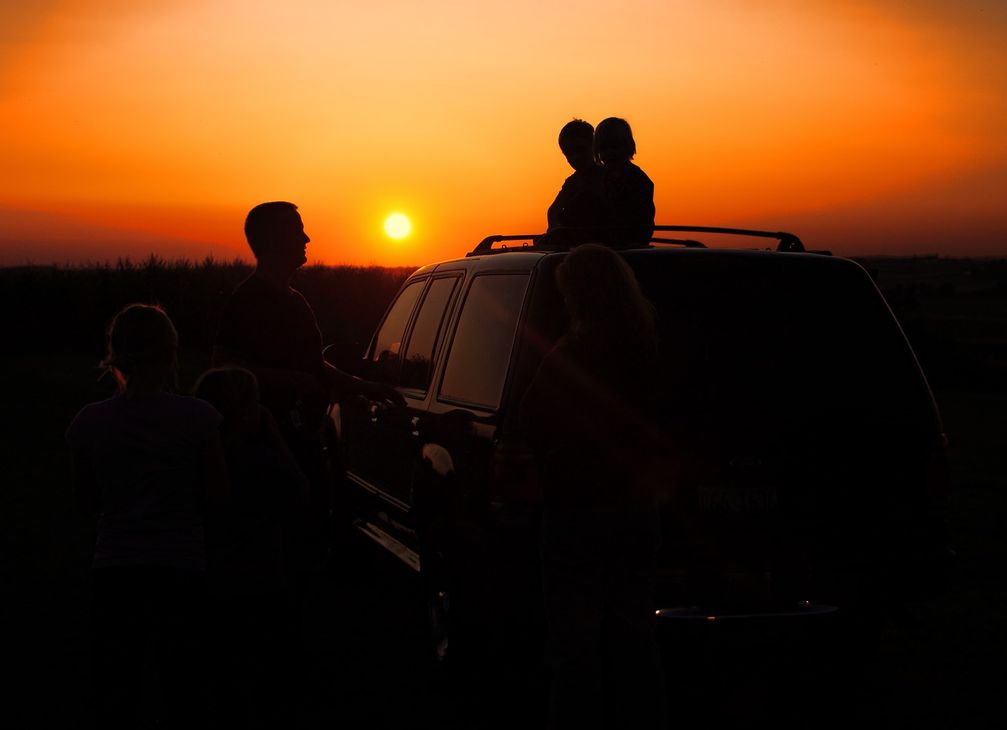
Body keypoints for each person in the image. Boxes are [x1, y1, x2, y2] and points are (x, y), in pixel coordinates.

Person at [520, 245, 667, 730]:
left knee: (574, 647)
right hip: (636, 510)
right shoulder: (647, 348)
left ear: (577, 294)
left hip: (576, 514)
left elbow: (534, 424)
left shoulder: (572, 352)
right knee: (635, 639)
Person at [213, 201, 403, 570]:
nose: (307, 238)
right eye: (297, 230)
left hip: (305, 445)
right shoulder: (246, 302)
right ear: (272, 240)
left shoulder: (296, 302)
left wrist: (365, 387)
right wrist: (290, 380)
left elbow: (316, 368)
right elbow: (223, 369)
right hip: (265, 450)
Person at [67, 303, 227, 730]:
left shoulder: (89, 421)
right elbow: (216, 498)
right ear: (171, 354)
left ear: (115, 354)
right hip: (183, 567)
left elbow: (83, 503)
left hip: (114, 570)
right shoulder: (199, 419)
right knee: (185, 690)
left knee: (118, 691)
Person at [194, 366, 308, 728]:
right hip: (262, 587)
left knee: (222, 684)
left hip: (211, 589)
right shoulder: (261, 462)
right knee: (268, 684)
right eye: (258, 402)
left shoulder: (194, 462)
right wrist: (275, 435)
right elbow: (300, 492)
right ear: (245, 412)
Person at [594, 117, 655, 247]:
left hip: (630, 248)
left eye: (614, 147)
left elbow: (645, 221)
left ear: (628, 146)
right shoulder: (599, 179)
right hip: (605, 246)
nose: (609, 153)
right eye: (604, 149)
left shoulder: (638, 180)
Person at [545, 119, 605, 243]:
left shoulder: (609, 176)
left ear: (593, 146)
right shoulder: (572, 182)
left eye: (580, 149)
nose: (575, 157)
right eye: (569, 153)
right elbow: (553, 211)